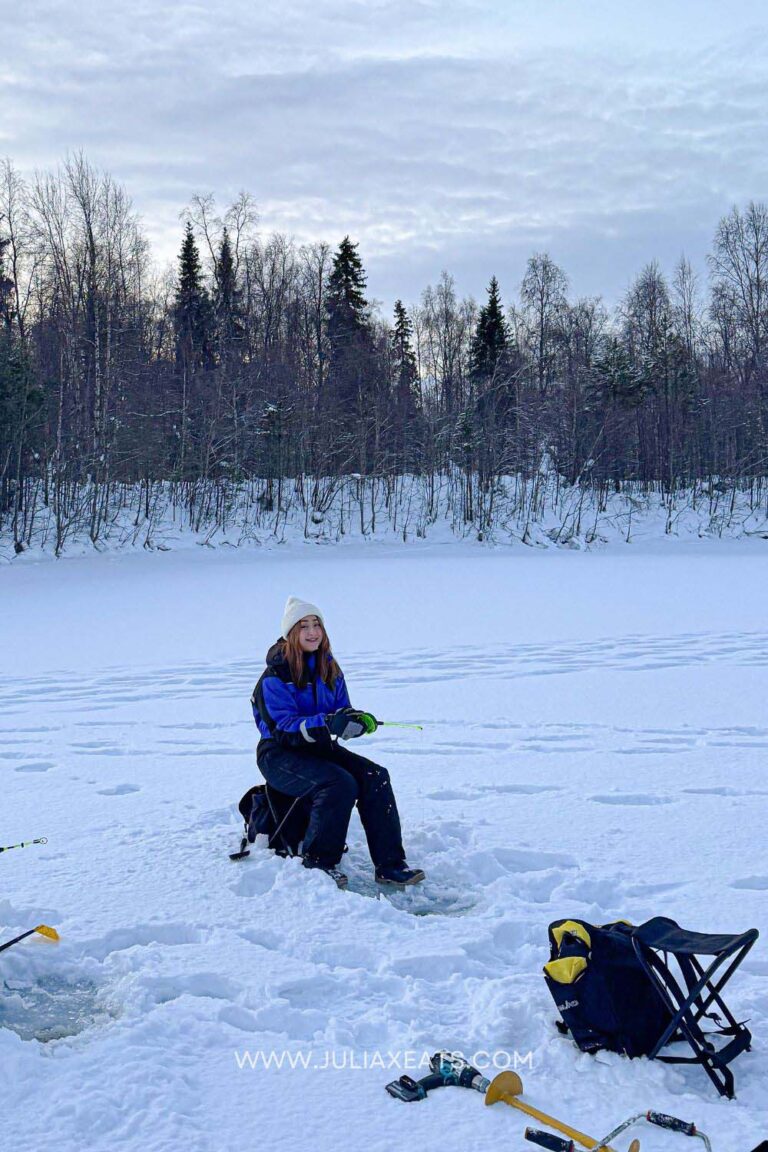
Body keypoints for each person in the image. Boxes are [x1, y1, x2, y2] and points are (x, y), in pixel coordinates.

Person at [251, 596, 424, 890]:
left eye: (316, 624)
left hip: (317, 748)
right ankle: (319, 863)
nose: (312, 631)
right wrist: (327, 723)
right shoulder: (275, 677)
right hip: (279, 755)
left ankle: (390, 865)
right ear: (290, 633)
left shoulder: (329, 667)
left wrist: (356, 721)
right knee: (337, 783)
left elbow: (342, 710)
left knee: (375, 776)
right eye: (303, 625)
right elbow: (283, 729)